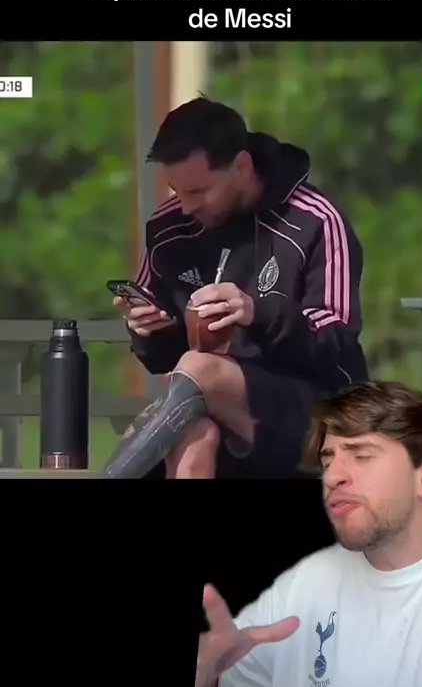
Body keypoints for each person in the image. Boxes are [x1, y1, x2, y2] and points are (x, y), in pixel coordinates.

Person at [99, 96, 368, 479]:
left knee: (200, 369)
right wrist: (147, 331)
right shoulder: (167, 229)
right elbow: (162, 359)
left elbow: (336, 344)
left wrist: (258, 313)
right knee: (194, 432)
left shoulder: (316, 221)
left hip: (320, 417)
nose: (185, 207)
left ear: (242, 166)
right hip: (214, 411)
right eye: (176, 191)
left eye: (198, 191)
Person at [195, 380, 422, 686]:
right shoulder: (302, 587)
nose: (332, 477)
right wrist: (205, 675)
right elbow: (221, 669)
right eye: (327, 460)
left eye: (361, 455)